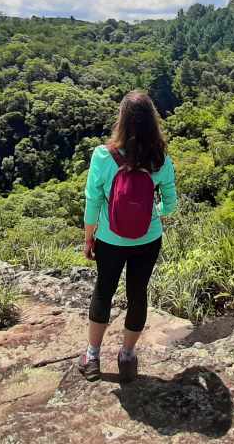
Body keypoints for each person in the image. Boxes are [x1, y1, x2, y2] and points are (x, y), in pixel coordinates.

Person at [78, 90, 177, 383]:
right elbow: (170, 204)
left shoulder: (103, 156)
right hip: (148, 240)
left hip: (109, 239)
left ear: (122, 119)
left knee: (103, 290)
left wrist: (89, 237)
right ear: (152, 121)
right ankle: (127, 356)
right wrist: (153, 211)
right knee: (138, 294)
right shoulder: (161, 160)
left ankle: (93, 357)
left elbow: (93, 200)